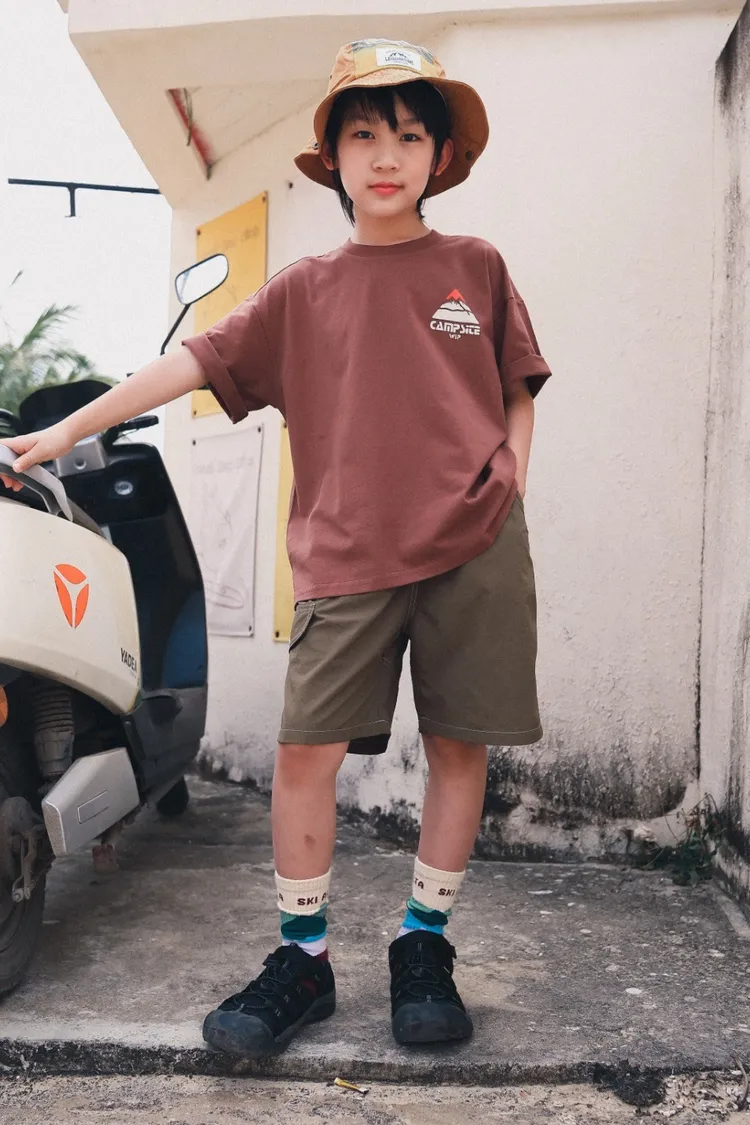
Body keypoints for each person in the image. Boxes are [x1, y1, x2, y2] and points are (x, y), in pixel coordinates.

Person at [0, 38, 551, 1058]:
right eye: (364, 133)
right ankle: (304, 957)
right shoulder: (303, 289)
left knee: (458, 743)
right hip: (348, 553)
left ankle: (424, 942)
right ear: (331, 156)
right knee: (307, 752)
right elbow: (190, 363)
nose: (386, 154)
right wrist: (63, 431)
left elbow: (517, 382)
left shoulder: (475, 267)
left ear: (438, 156)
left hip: (475, 545)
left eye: (409, 135)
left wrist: (514, 464)